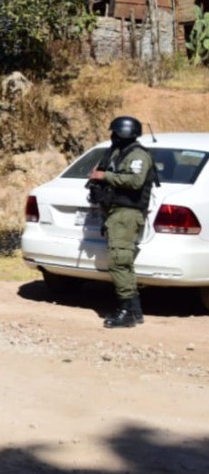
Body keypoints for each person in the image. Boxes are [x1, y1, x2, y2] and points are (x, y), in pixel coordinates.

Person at [86, 116, 156, 328]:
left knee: (119, 261)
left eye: (116, 133)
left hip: (127, 213)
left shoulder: (138, 156)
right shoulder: (117, 153)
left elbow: (135, 182)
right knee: (122, 262)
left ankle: (126, 312)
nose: (112, 136)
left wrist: (104, 176)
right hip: (116, 212)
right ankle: (133, 311)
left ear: (125, 133)